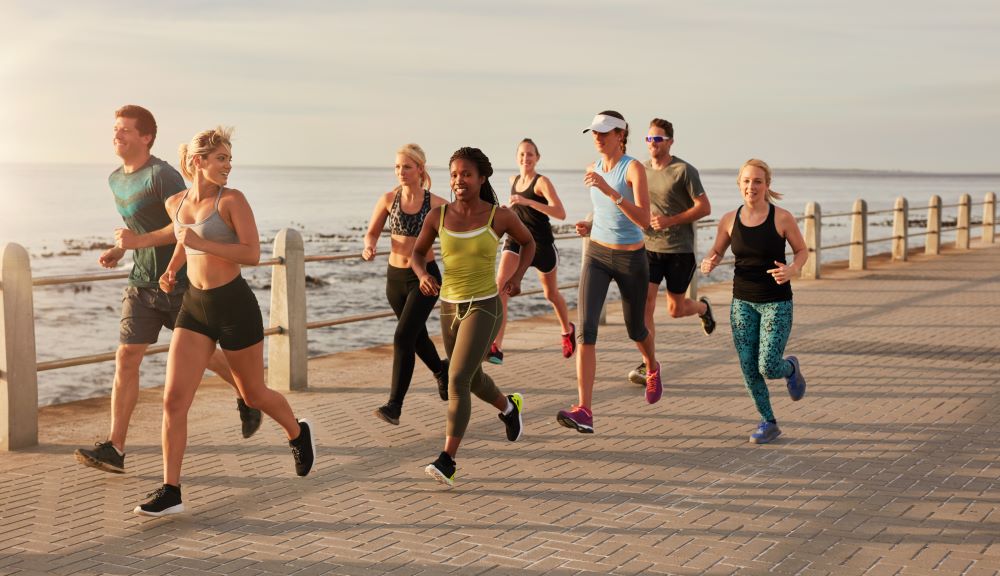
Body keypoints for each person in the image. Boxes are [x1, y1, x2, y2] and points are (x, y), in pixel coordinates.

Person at [133, 127, 315, 517]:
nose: (228, 166)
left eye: (230, 159)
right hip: (194, 306)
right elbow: (184, 238)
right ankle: (171, 491)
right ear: (199, 162)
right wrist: (171, 269)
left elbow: (251, 254)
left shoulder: (232, 200)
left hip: (234, 305)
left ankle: (297, 433)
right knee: (173, 400)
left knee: (254, 395)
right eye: (221, 159)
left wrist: (202, 245)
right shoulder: (176, 203)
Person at [74, 105, 260, 476]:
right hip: (142, 281)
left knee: (206, 357)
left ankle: (247, 394)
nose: (117, 135)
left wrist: (155, 252)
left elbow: (185, 223)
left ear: (145, 137)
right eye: (115, 129)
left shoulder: (163, 175)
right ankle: (116, 447)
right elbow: (136, 226)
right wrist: (121, 247)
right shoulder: (115, 178)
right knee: (126, 358)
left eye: (125, 130)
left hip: (181, 283)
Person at [411, 147, 533, 488]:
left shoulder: (500, 216)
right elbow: (417, 254)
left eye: (466, 174)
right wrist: (422, 275)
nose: (459, 180)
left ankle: (448, 460)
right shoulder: (438, 216)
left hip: (484, 305)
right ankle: (509, 408)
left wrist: (518, 276)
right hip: (449, 307)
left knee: (457, 379)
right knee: (473, 378)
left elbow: (528, 242)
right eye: (453, 175)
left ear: (481, 178)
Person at [556, 111, 662, 435]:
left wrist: (611, 192)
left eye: (605, 132)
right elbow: (604, 211)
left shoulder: (633, 168)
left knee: (636, 330)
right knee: (586, 331)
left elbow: (643, 219)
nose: (598, 138)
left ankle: (652, 366)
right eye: (594, 133)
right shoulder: (592, 168)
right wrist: (590, 225)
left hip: (631, 260)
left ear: (621, 134)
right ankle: (584, 409)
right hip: (598, 255)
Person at [701, 158, 808, 444]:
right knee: (748, 367)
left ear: (767, 185)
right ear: (739, 185)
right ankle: (768, 421)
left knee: (768, 365)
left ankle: (790, 368)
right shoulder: (728, 219)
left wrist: (792, 269)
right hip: (742, 303)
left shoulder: (782, 218)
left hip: (776, 302)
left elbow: (801, 251)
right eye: (747, 181)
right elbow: (717, 250)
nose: (752, 186)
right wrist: (710, 261)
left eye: (758, 181)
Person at [362, 144, 449, 425]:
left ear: (420, 169)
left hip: (425, 276)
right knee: (415, 335)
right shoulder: (388, 199)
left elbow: (455, 238)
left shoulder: (436, 203)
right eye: (397, 167)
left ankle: (394, 406)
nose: (401, 172)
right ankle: (441, 371)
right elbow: (372, 233)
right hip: (395, 279)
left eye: (407, 167)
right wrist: (369, 247)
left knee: (402, 337)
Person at [627, 118, 716, 385]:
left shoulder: (684, 171)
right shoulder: (640, 170)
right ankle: (648, 364)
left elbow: (704, 208)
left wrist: (670, 220)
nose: (653, 144)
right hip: (648, 248)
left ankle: (702, 308)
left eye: (658, 139)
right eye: (649, 139)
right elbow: (628, 201)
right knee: (646, 305)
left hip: (679, 249)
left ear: (670, 142)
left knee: (675, 310)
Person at [487, 138, 574, 365]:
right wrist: (509, 209)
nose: (526, 158)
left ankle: (567, 330)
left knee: (551, 294)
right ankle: (497, 346)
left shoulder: (542, 182)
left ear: (537, 158)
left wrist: (527, 201)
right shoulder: (513, 180)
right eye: (523, 154)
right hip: (517, 240)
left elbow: (560, 213)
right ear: (517, 157)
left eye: (530, 155)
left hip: (542, 245)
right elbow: (518, 209)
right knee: (501, 288)